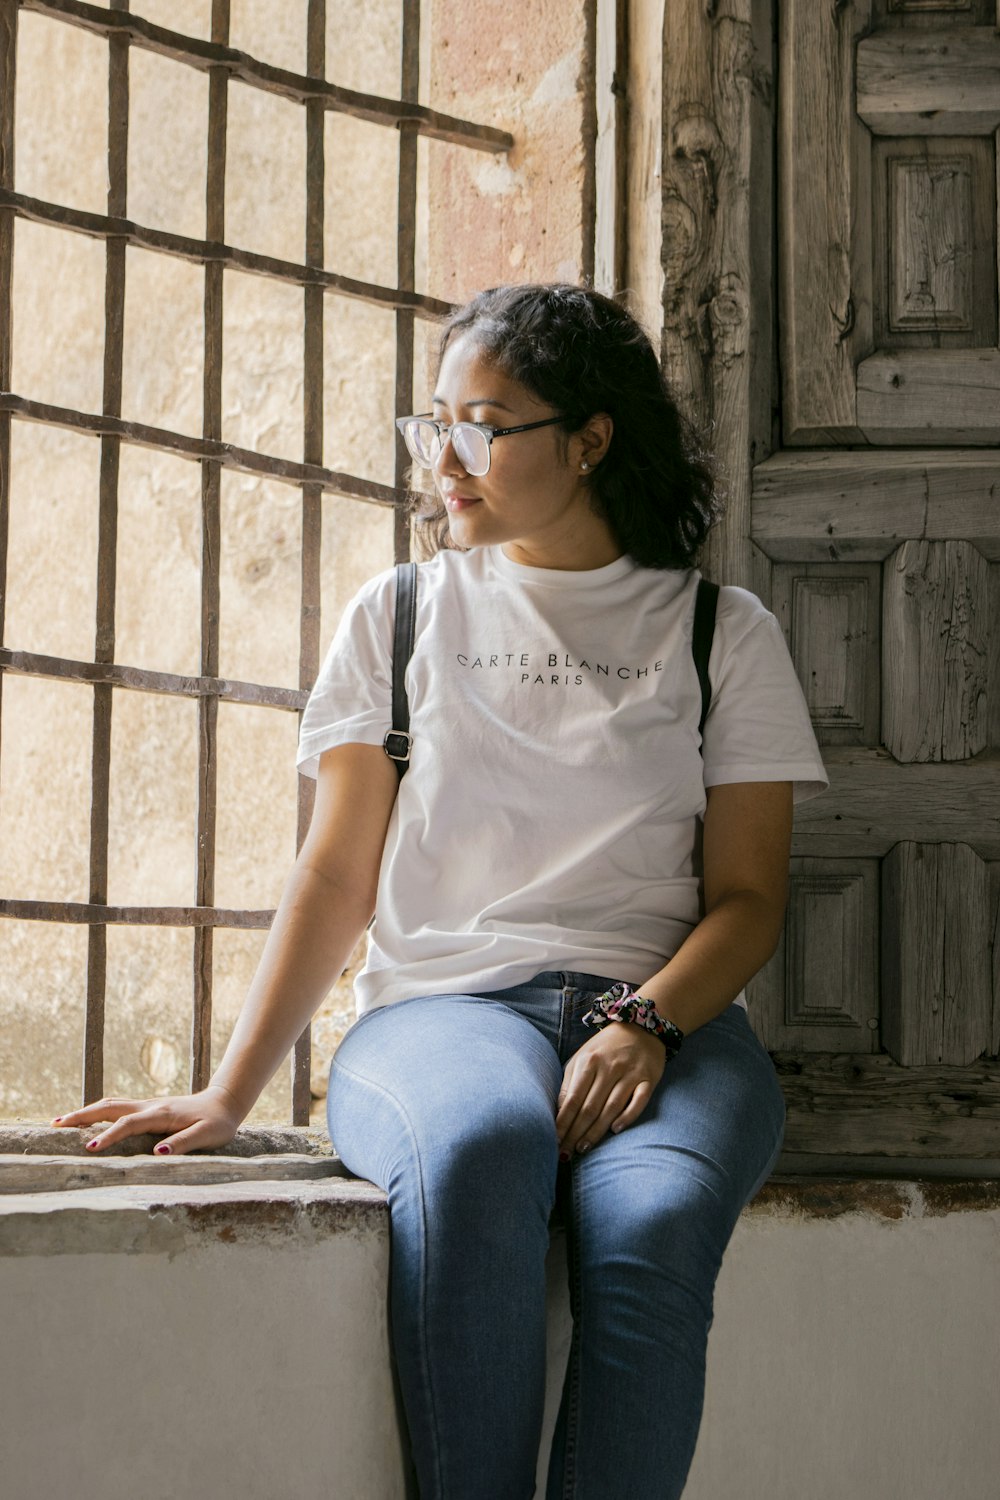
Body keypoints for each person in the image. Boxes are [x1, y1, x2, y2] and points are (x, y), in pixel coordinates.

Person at [54, 283, 829, 1499]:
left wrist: (649, 1023)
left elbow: (747, 897)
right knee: (479, 1150)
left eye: (483, 423)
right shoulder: (402, 611)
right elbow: (335, 871)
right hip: (442, 1017)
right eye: (434, 424)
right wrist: (228, 1090)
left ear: (589, 438)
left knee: (655, 1230)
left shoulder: (720, 633)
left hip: (668, 1026)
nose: (444, 460)